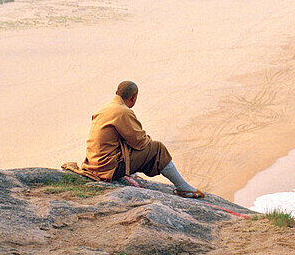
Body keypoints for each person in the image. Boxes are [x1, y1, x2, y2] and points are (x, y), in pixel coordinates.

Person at [66, 80, 204, 198]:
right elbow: (140, 142)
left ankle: (135, 173)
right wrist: (148, 141)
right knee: (158, 148)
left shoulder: (106, 108)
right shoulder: (123, 111)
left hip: (95, 163)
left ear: (117, 93)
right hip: (108, 167)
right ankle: (183, 187)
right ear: (134, 98)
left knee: (130, 146)